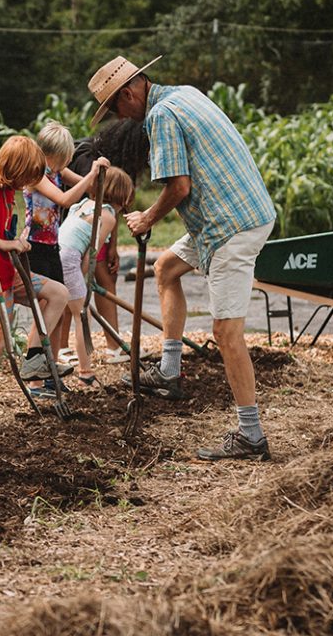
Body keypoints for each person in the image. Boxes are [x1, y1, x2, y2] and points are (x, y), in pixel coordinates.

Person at [89, 55, 278, 461]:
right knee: (165, 268)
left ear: (129, 93)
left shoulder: (161, 116)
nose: (119, 118)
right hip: (233, 211)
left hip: (231, 225)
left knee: (227, 333)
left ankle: (251, 436)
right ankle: (170, 371)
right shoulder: (185, 95)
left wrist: (147, 217)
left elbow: (180, 186)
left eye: (115, 109)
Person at [0, 135, 72, 429]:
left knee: (58, 293)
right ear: (15, 169)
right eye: (29, 175)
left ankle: (33, 357)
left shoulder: (8, 192)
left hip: (6, 273)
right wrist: (3, 246)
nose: (32, 181)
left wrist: (15, 242)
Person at [25, 121, 109, 365]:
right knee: (44, 310)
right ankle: (35, 370)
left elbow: (87, 185)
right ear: (53, 154)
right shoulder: (37, 174)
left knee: (57, 312)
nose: (66, 163)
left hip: (52, 245)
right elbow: (64, 199)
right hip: (35, 246)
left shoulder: (57, 171)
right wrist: (91, 174)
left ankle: (48, 367)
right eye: (64, 157)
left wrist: (98, 171)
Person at [66, 118, 149, 361]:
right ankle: (64, 347)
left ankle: (113, 345)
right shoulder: (91, 161)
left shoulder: (124, 167)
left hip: (96, 233)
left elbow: (114, 211)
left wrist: (112, 247)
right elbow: (94, 208)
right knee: (71, 289)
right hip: (78, 236)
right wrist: (90, 257)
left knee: (104, 280)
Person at [57, 165, 135, 383]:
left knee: (56, 310)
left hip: (55, 252)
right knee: (82, 315)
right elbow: (90, 255)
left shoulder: (82, 204)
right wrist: (82, 279)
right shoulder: (108, 217)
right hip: (70, 259)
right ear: (122, 196)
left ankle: (51, 360)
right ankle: (85, 370)